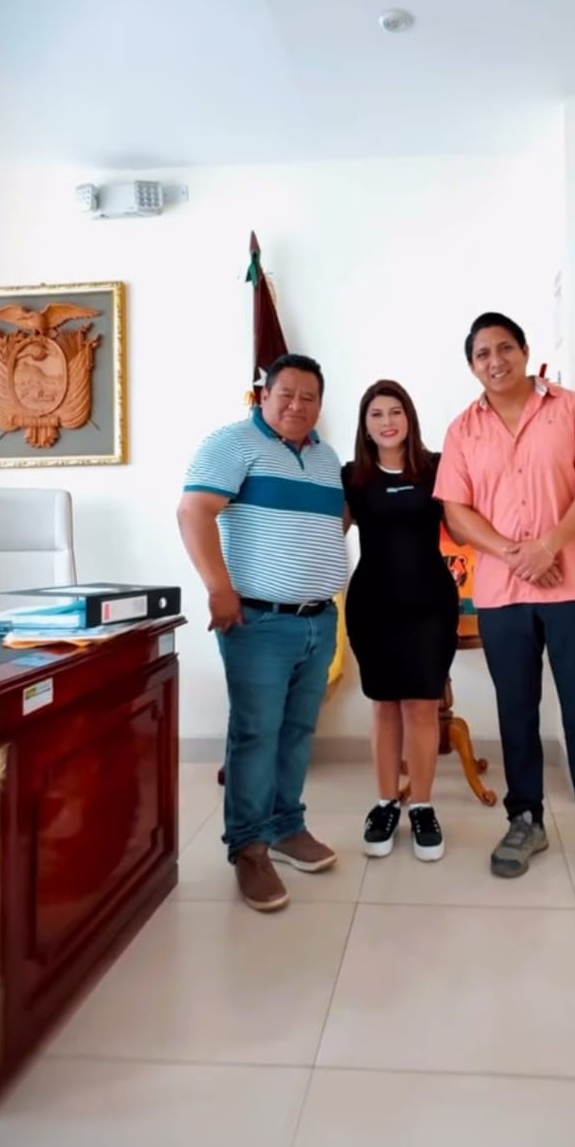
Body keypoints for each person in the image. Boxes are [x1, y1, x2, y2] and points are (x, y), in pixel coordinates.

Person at [435, 313, 575, 890]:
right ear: (472, 366)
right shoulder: (462, 431)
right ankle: (524, 819)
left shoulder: (573, 410)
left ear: (525, 351)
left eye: (505, 348)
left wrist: (548, 545)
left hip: (574, 585)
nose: (495, 361)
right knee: (516, 708)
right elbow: (456, 512)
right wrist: (515, 553)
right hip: (502, 594)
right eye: (482, 354)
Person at [177, 353, 347, 913]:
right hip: (258, 622)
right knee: (255, 734)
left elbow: (331, 524)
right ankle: (248, 848)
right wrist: (218, 589)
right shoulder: (232, 444)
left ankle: (285, 826)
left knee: (298, 731)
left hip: (319, 619)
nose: (297, 405)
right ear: (263, 395)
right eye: (286, 394)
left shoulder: (326, 457)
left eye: (309, 397)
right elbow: (194, 512)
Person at [342, 380, 458, 862]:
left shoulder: (436, 467)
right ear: (365, 426)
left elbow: (463, 526)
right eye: (376, 414)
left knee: (422, 706)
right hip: (373, 605)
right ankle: (387, 803)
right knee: (384, 706)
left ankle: (423, 807)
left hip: (430, 605)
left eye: (395, 411)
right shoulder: (352, 477)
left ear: (409, 417)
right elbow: (328, 532)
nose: (387, 421)